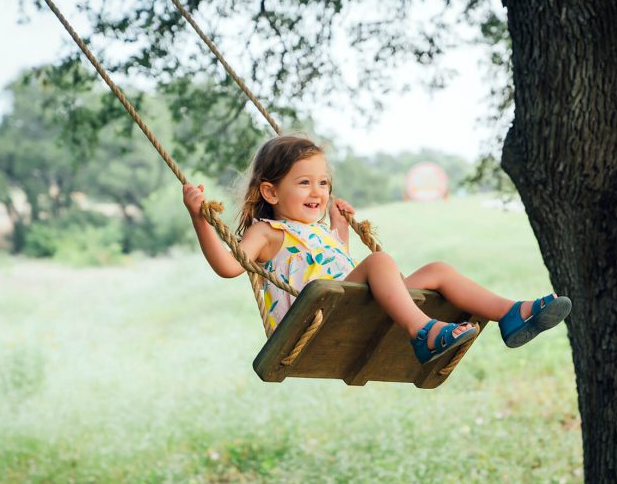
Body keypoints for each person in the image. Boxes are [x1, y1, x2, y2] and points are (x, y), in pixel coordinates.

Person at [182, 135, 571, 364]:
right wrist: (201, 219)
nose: (317, 192)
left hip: (348, 308)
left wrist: (337, 228)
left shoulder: (317, 231)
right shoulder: (268, 232)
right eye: (304, 183)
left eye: (322, 183)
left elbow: (339, 265)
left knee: (437, 270)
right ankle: (423, 332)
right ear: (270, 191)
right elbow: (229, 267)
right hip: (312, 323)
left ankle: (511, 315)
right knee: (381, 261)